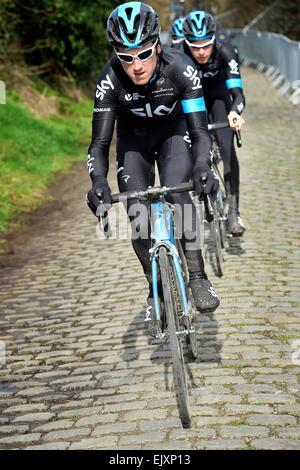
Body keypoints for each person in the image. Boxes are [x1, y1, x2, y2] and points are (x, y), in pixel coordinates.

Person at [86, 2, 220, 328]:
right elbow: (100, 144)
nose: (137, 65)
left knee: (178, 194)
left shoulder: (181, 68)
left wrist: (203, 166)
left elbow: (199, 130)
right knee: (137, 211)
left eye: (144, 53)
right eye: (126, 57)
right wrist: (98, 182)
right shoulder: (110, 80)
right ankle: (154, 290)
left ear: (157, 46)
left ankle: (199, 277)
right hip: (134, 142)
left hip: (174, 135)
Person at [181, 11, 246, 236]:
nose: (201, 52)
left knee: (228, 151)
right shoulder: (179, 56)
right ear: (185, 42)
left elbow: (238, 94)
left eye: (206, 45)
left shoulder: (226, 51)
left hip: (219, 97)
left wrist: (235, 113)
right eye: (195, 46)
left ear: (214, 40)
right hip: (193, 100)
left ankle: (234, 213)